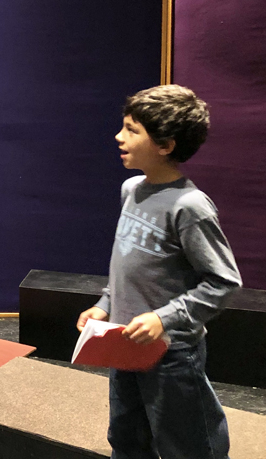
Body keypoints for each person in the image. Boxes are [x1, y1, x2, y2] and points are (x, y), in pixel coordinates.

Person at [76, 84, 242, 459]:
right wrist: (105, 303)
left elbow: (223, 281)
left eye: (132, 130)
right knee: (126, 438)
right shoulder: (131, 189)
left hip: (171, 354)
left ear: (165, 145)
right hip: (123, 341)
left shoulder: (190, 206)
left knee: (188, 445)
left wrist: (164, 319)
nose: (119, 136)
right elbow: (128, 262)